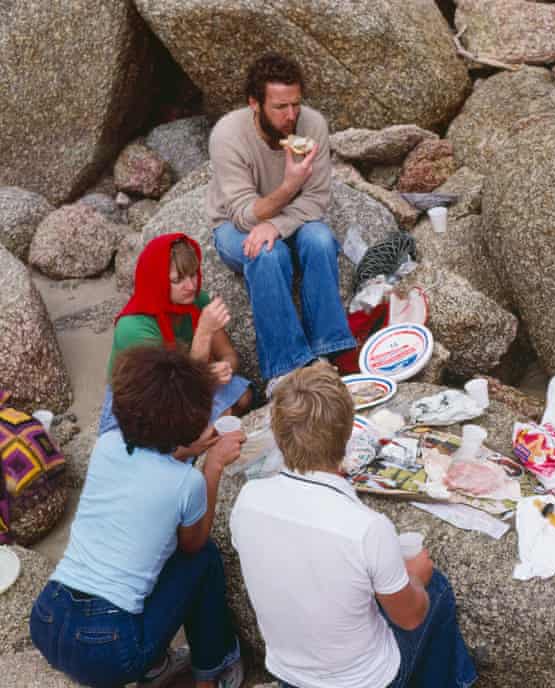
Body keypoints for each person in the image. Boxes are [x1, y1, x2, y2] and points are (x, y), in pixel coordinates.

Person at [230, 363, 478, 688]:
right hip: (365, 681)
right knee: (437, 588)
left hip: (289, 673)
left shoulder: (248, 499)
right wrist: (417, 575)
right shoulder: (368, 529)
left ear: (277, 434)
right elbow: (410, 616)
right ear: (348, 434)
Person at [30, 346, 245, 687]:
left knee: (140, 549)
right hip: (110, 646)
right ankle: (213, 668)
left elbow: (148, 467)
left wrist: (184, 448)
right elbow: (193, 544)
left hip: (47, 616)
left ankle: (156, 666)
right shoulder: (186, 482)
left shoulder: (108, 444)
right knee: (203, 559)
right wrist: (213, 466)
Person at [206, 52, 355, 397]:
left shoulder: (312, 124)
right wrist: (288, 185)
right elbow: (243, 215)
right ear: (254, 103)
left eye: (295, 105)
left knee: (319, 239)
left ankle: (330, 351)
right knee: (267, 255)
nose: (290, 117)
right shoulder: (228, 135)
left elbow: (317, 199)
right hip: (234, 223)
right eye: (279, 107)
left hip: (292, 217)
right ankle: (286, 369)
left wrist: (277, 224)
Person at [99, 233, 253, 453]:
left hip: (187, 384)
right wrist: (203, 333)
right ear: (157, 280)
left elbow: (229, 355)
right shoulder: (134, 327)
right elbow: (172, 392)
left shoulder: (197, 300)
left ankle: (192, 445)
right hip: (142, 404)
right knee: (171, 447)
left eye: (193, 275)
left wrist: (223, 369)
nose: (190, 286)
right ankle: (185, 451)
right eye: (177, 280)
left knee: (243, 396)